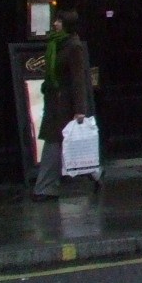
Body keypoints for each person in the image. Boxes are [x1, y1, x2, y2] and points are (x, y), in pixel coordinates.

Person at [33, 11, 94, 201]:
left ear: (67, 24)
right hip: (55, 101)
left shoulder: (74, 47)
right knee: (63, 143)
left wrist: (80, 110)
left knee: (54, 143)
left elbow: (79, 79)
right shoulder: (55, 44)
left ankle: (45, 187)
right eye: (55, 20)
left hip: (65, 105)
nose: (55, 24)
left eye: (59, 21)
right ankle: (95, 171)